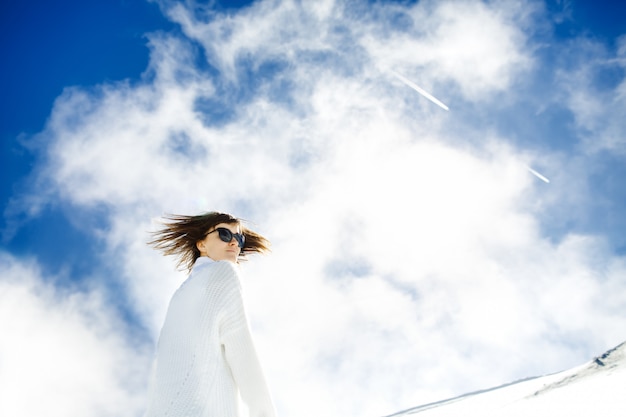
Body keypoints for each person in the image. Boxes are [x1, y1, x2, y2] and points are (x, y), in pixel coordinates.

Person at [143, 211, 277, 417]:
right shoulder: (223, 273)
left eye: (238, 237)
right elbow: (242, 351)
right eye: (224, 234)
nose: (234, 242)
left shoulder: (179, 296)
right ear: (201, 244)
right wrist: (264, 412)